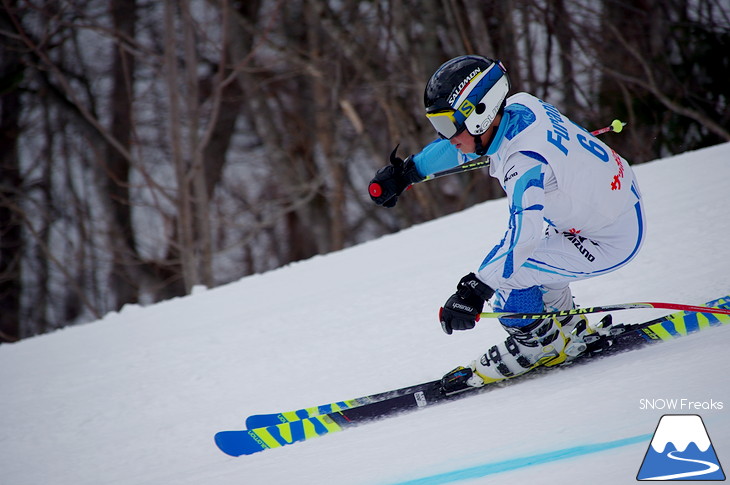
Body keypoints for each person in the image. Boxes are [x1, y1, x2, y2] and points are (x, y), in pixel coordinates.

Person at [368, 55, 645, 391]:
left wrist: (477, 288)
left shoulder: (523, 161)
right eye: (439, 125)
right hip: (610, 205)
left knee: (509, 282)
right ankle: (565, 330)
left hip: (608, 236)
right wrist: (408, 172)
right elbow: (459, 148)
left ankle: (540, 345)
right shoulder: (520, 106)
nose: (447, 136)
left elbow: (523, 237)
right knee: (536, 270)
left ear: (482, 115)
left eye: (448, 126)